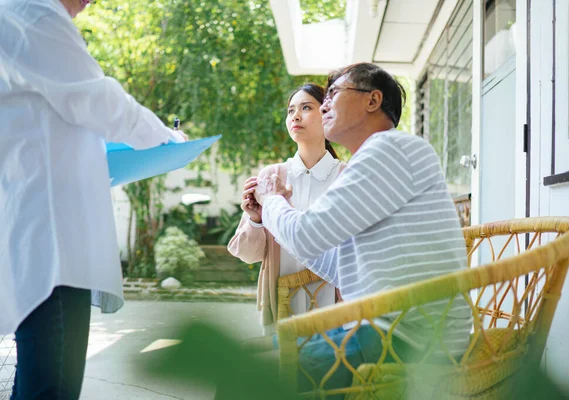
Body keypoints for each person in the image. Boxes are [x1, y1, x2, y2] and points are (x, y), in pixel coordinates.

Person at [0, 0, 187, 398]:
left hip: (41, 232)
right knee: (52, 387)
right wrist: (169, 141)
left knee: (37, 380)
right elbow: (96, 99)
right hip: (55, 244)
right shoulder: (32, 11)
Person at [250, 63, 473, 391]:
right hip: (391, 329)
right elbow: (337, 264)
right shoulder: (382, 157)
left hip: (405, 336)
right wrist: (271, 211)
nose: (324, 105)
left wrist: (271, 201)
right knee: (257, 358)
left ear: (373, 100)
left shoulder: (389, 149)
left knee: (248, 378)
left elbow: (306, 235)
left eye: (334, 94)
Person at [228, 83, 346, 337]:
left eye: (306, 107)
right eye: (291, 110)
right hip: (281, 302)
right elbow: (248, 255)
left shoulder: (346, 176)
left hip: (336, 305)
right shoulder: (271, 176)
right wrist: (256, 220)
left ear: (327, 113)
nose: (295, 116)